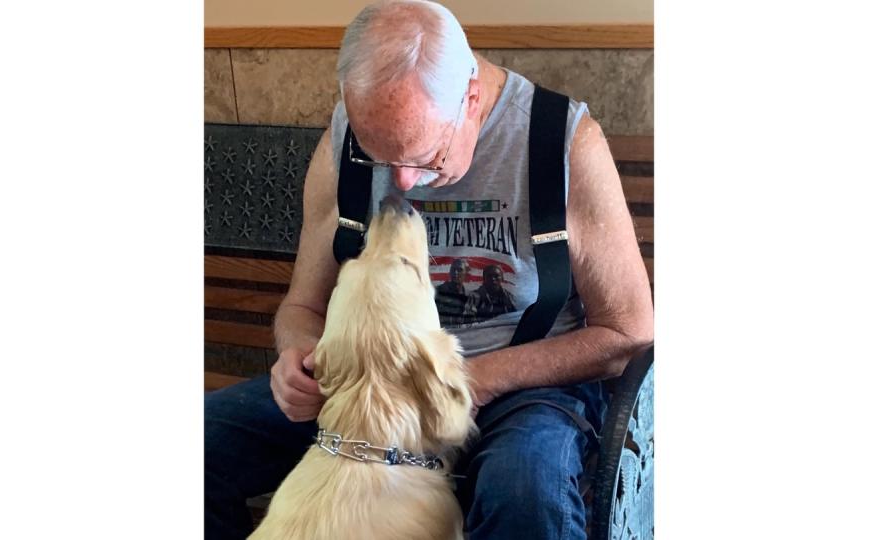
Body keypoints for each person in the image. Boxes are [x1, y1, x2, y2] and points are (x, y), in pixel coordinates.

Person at [205, 1, 654, 539]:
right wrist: (297, 358)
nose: (403, 183)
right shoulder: (345, 139)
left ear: (469, 98)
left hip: (521, 389)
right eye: (379, 158)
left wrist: (477, 379)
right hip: (369, 396)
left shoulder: (562, 141)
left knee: (524, 492)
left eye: (426, 158)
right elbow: (303, 307)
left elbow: (628, 332)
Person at [436, 258, 472, 324]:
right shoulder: (437, 292)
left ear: (466, 274)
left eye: (459, 270)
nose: (455, 273)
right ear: (450, 272)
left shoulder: (471, 297)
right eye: (453, 270)